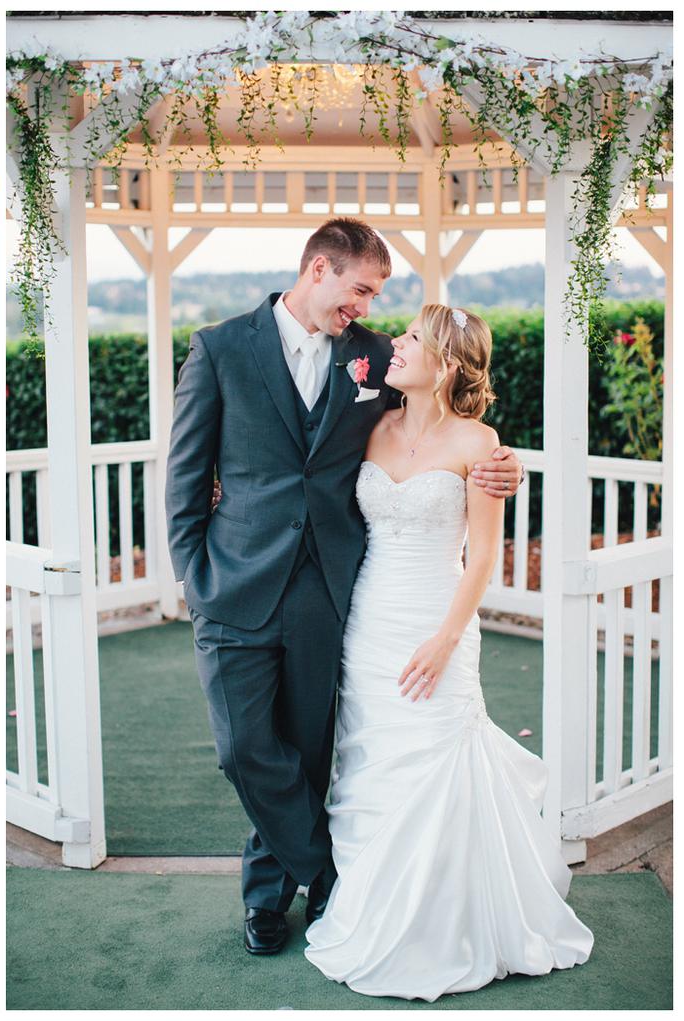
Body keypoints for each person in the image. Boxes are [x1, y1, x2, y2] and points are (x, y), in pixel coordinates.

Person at [164, 217, 524, 956]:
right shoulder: (219, 349)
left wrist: (502, 466)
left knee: (307, 747)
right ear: (319, 269)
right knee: (243, 748)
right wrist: (193, 576)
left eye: (375, 295)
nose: (366, 307)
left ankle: (266, 898)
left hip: (329, 591)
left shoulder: (376, 358)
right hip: (231, 585)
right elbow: (184, 476)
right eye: (360, 290)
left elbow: (437, 428)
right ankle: (323, 868)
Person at [303, 305, 592, 999]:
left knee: (437, 750)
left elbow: (483, 556)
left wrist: (445, 638)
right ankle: (377, 907)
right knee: (373, 759)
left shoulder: (480, 443)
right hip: (369, 620)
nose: (395, 345)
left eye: (411, 339)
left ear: (448, 363)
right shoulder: (371, 424)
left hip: (439, 616)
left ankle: (451, 923)